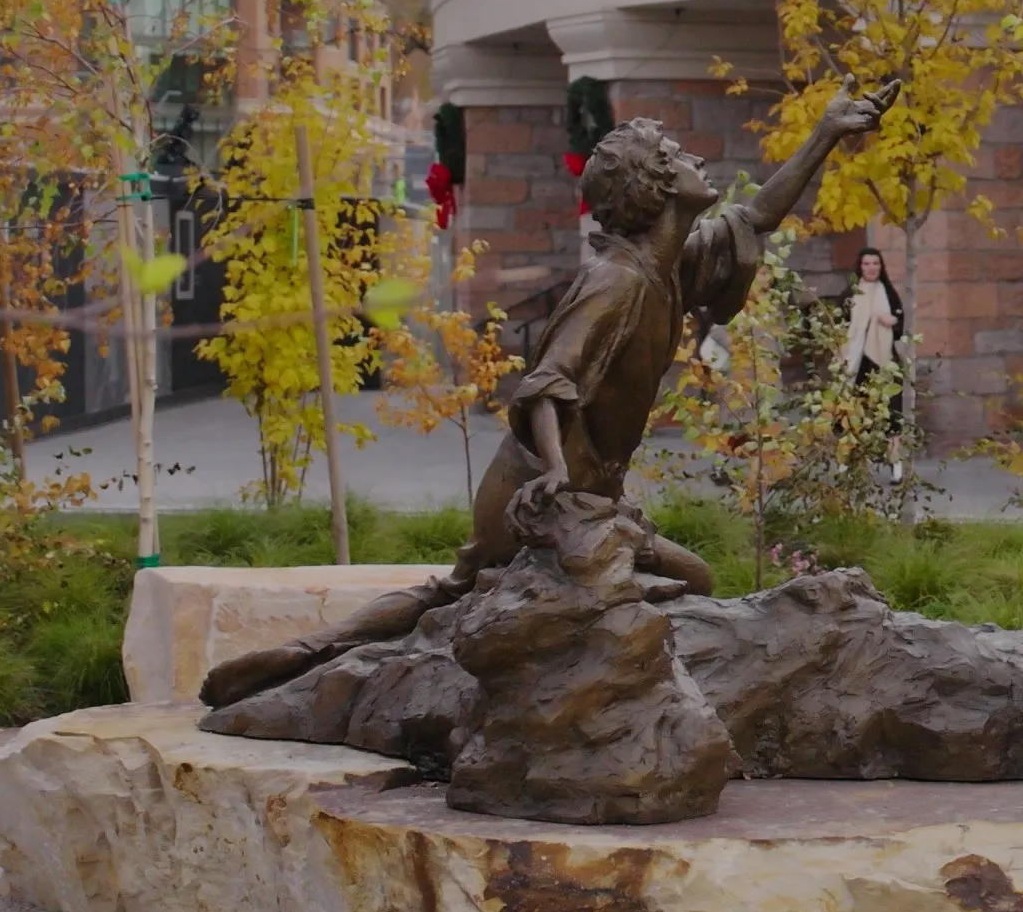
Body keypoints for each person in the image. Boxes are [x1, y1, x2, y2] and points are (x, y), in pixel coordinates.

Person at [197, 85, 885, 708]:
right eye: (676, 155)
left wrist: (825, 132)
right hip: (537, 487)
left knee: (679, 579)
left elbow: (756, 216)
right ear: (654, 187)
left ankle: (313, 653)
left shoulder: (667, 267)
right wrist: (554, 470)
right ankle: (311, 658)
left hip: (589, 494)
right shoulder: (616, 281)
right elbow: (548, 381)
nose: (695, 159)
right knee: (467, 590)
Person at [842, 247, 909, 482]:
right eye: (867, 263)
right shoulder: (850, 294)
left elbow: (900, 325)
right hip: (857, 360)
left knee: (892, 409)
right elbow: (839, 323)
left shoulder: (888, 292)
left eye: (876, 263)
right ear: (860, 267)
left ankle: (895, 461)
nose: (871, 268)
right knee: (855, 409)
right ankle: (852, 461)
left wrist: (892, 321)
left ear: (881, 267)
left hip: (884, 359)